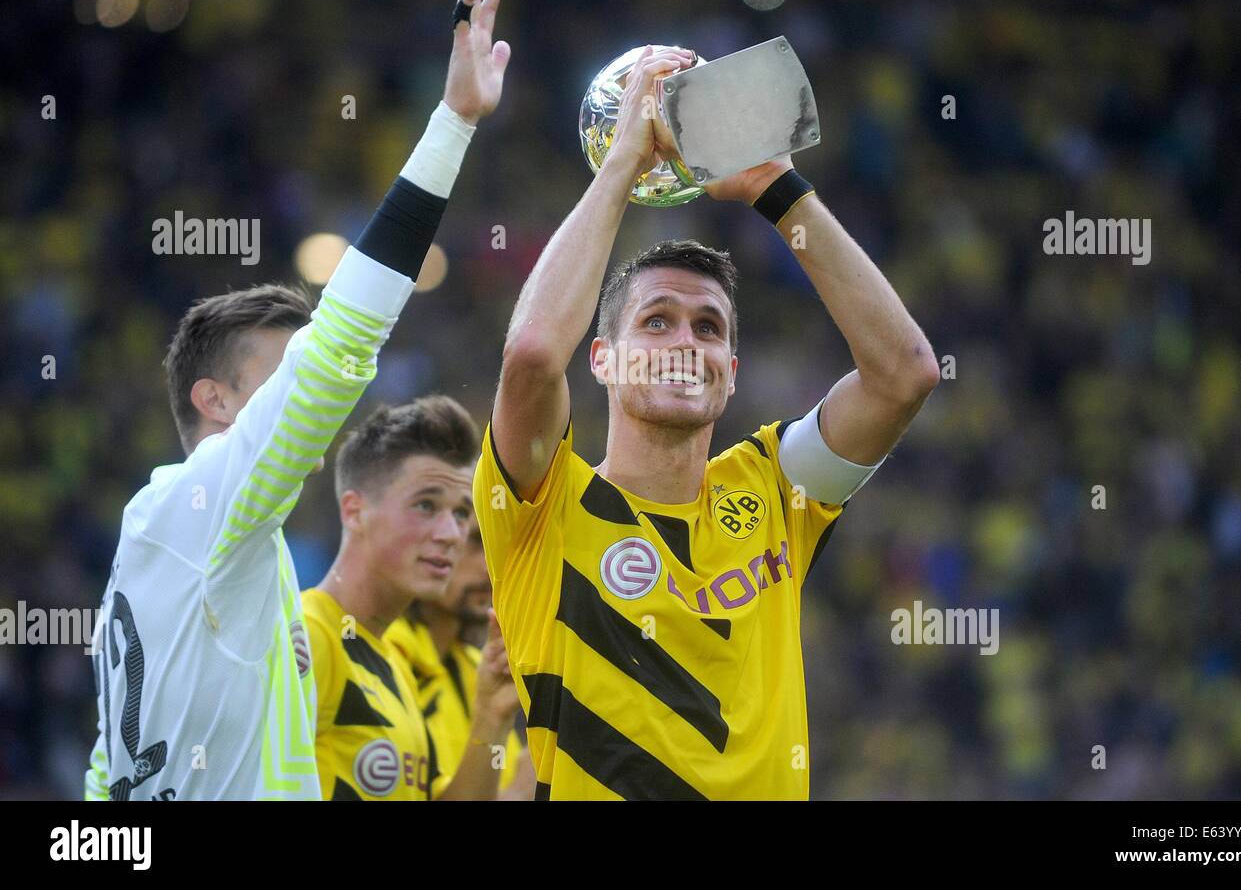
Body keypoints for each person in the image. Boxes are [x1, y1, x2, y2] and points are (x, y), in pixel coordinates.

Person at [85, 0, 510, 800]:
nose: (304, 399)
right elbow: (341, 347)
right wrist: (453, 124)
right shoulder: (208, 502)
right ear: (214, 400)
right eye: (279, 376)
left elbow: (107, 778)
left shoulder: (192, 544)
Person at [473, 46, 939, 799]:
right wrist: (621, 165)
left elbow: (905, 375)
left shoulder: (774, 488)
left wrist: (773, 185)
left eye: (709, 328)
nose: (687, 344)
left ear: (731, 371)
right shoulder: (542, 510)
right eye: (656, 323)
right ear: (603, 360)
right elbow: (530, 354)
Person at [306, 395, 515, 800]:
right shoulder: (308, 636)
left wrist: (491, 716)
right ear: (355, 511)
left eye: (459, 514)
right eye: (426, 505)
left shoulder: (393, 667)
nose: (451, 534)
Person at [386, 510, 537, 800]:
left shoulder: (479, 667)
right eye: (476, 542)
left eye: (501, 544)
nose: (491, 566)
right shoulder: (386, 659)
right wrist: (519, 794)